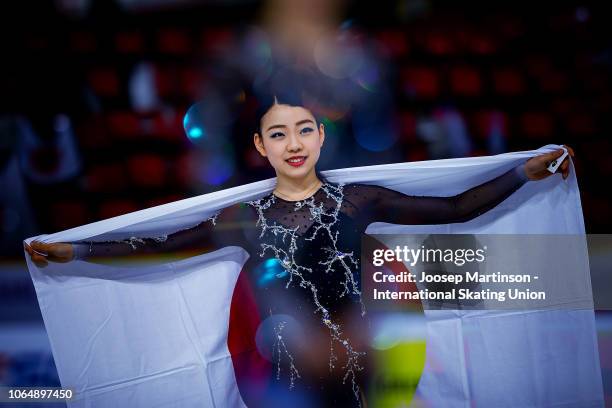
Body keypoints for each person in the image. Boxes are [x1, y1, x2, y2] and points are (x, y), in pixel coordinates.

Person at [24, 93, 574, 407]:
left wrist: (523, 174)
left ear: (320, 138)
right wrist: (78, 251)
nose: (294, 143)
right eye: (279, 134)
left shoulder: (359, 201)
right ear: (262, 146)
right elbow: (162, 246)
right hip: (289, 376)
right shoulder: (243, 220)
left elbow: (456, 211)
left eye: (304, 130)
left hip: (365, 365)